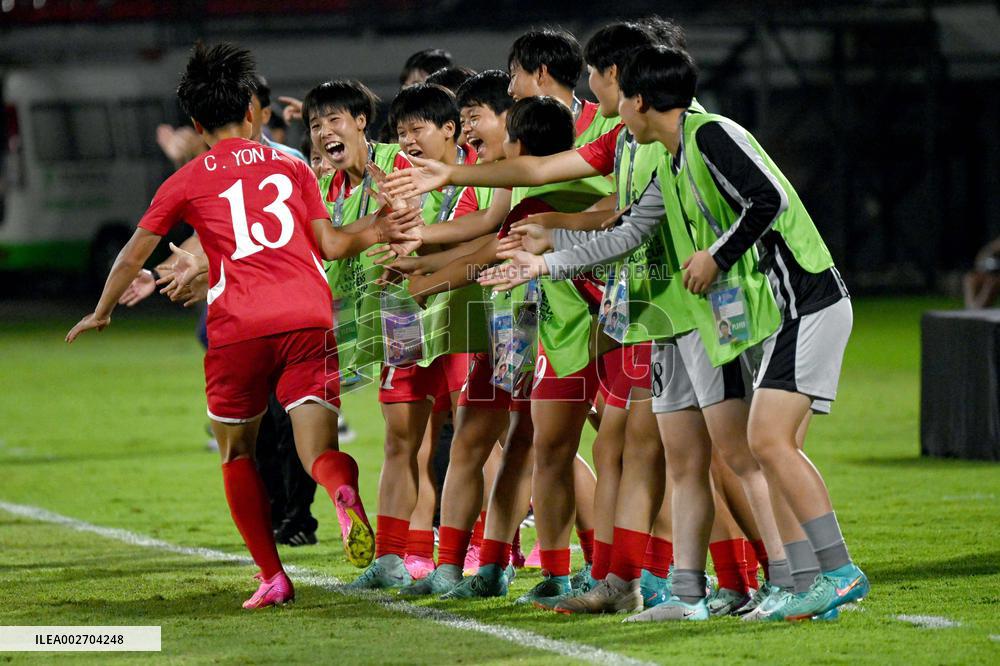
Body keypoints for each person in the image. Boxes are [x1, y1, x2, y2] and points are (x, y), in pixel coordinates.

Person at [479, 44, 867, 623]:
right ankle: (700, 592)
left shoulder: (709, 135)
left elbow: (769, 198)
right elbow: (628, 231)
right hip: (683, 318)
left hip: (788, 304)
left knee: (756, 448)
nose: (606, 103)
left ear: (635, 96)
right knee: (718, 454)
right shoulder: (668, 155)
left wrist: (716, 256)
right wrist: (546, 259)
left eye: (611, 89)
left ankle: (815, 575)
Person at [66, 42, 421, 609]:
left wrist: (103, 309)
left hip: (239, 327)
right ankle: (341, 489)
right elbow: (329, 244)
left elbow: (134, 253)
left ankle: (273, 577)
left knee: (236, 453)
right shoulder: (294, 165)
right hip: (308, 318)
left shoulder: (187, 180)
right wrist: (378, 228)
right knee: (317, 450)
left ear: (197, 124)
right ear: (252, 113)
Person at [345, 83, 479, 591]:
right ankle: (390, 558)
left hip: (464, 319)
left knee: (476, 441)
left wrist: (413, 251)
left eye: (417, 130)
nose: (408, 141)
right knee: (400, 440)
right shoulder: (396, 178)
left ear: (450, 130)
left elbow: (477, 242)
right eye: (401, 132)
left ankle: (481, 555)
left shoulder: (480, 175)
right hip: (405, 318)